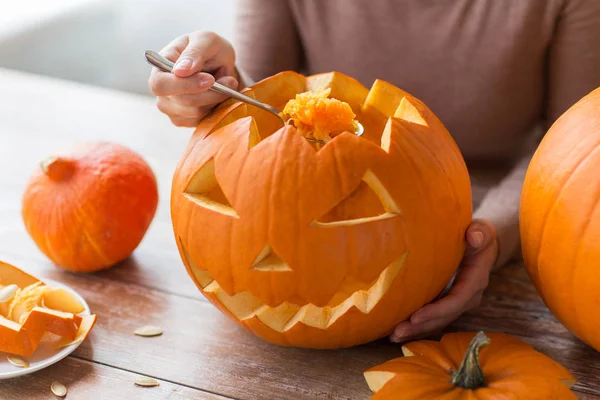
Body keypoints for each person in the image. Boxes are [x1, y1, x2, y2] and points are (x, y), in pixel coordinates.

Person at [148, 0, 600, 343]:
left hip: (508, 222)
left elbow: (574, 148)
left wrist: (491, 239)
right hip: (311, 207)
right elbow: (263, 118)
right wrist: (214, 89)